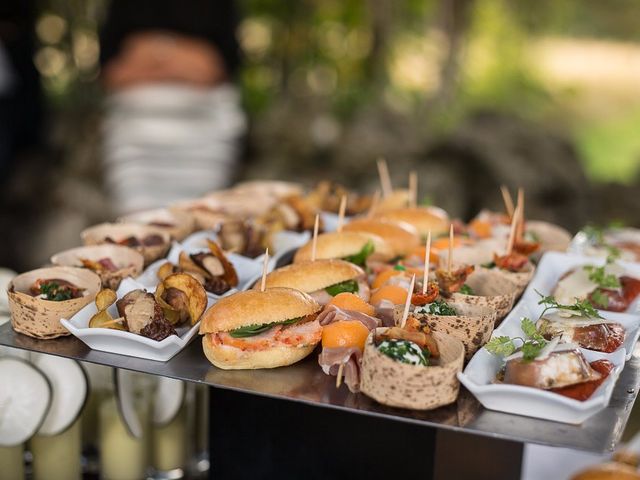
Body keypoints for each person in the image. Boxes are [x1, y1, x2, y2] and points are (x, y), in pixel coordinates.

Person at [100, 0, 246, 214]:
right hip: (134, 142)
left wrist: (152, 54)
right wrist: (183, 59)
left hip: (205, 138)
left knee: (200, 217)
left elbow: (214, 67)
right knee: (137, 223)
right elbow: (115, 71)